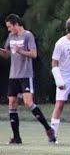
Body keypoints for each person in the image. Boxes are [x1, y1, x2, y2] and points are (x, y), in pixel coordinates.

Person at [0, 14, 56, 144]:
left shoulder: (27, 35)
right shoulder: (11, 37)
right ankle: (16, 137)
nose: (8, 29)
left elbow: (34, 54)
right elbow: (7, 54)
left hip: (25, 74)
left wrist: (21, 51)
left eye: (9, 26)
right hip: (13, 75)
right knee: (12, 102)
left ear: (15, 24)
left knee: (28, 103)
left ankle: (48, 129)